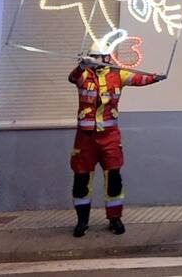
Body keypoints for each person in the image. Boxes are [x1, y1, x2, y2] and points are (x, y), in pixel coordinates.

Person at [68, 52, 165, 237]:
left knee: (114, 179)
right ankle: (82, 221)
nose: (100, 59)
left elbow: (137, 78)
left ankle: (115, 218)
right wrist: (81, 66)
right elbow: (73, 78)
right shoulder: (84, 74)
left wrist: (155, 77)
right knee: (81, 181)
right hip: (85, 139)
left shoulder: (117, 74)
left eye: (101, 56)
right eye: (95, 56)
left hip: (110, 138)